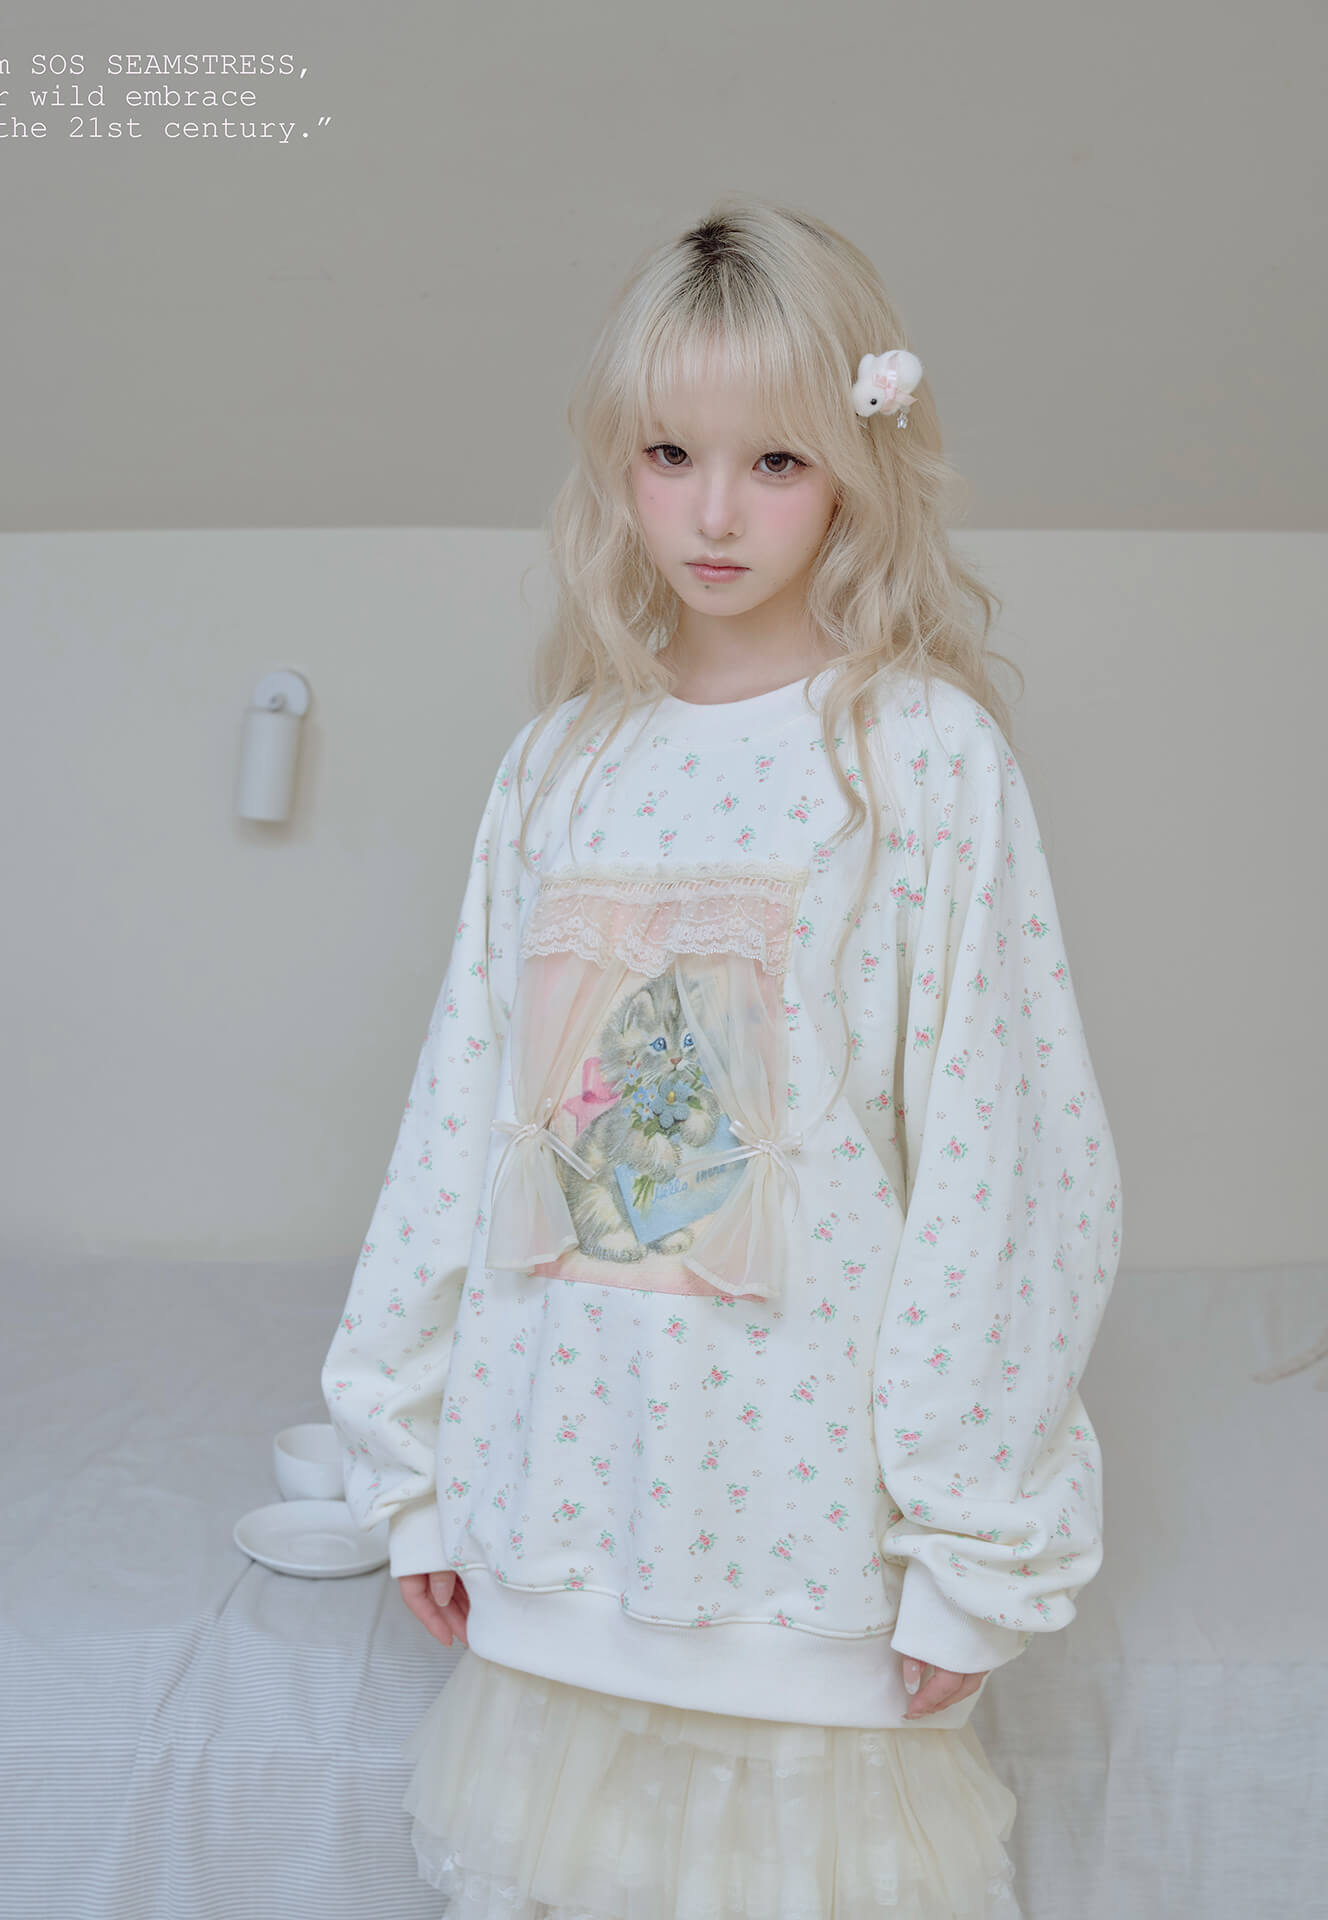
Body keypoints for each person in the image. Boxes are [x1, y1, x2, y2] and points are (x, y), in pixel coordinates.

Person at [322, 193, 1123, 1919]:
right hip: (558, 1528)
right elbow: (461, 1118)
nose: (710, 512)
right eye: (670, 453)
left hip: (805, 1550)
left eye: (774, 463)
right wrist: (414, 1472)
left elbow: (1005, 1163)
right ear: (617, 461)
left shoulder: (920, 759)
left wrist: (971, 1554)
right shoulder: (557, 766)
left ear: (855, 466)